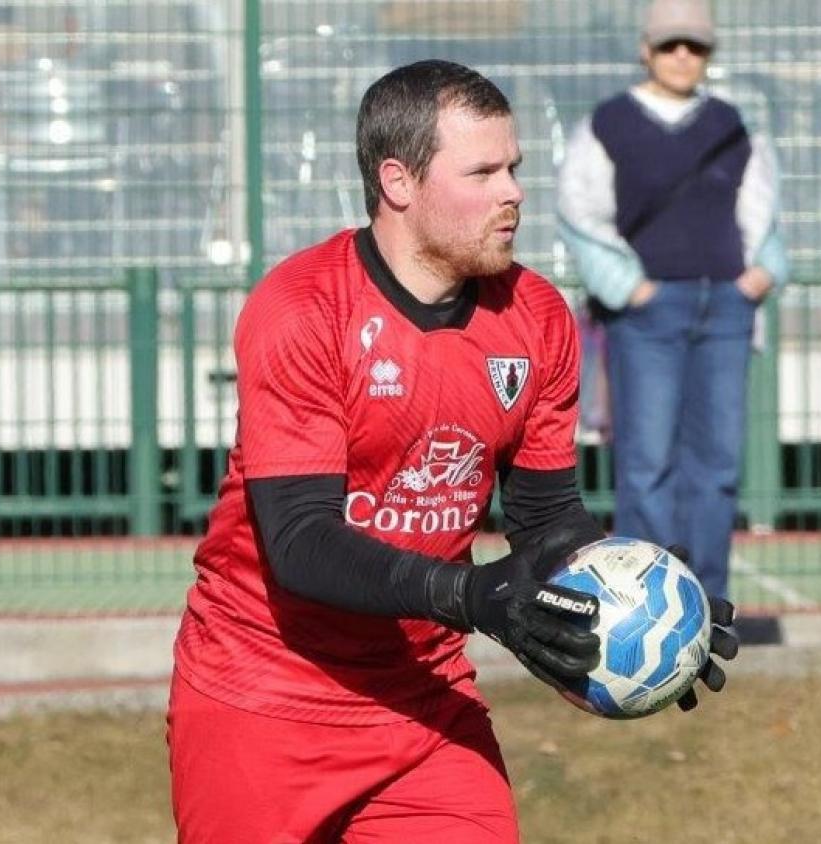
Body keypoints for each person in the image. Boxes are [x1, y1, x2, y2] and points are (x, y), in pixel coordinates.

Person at [167, 59, 739, 842]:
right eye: (484, 172)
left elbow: (547, 520)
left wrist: (641, 608)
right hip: (264, 695)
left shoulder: (537, 316)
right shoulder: (303, 308)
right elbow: (300, 541)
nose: (515, 193)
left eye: (515, 168)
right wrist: (473, 597)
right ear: (398, 182)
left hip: (424, 697)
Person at [556, 0, 789, 600]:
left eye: (696, 46)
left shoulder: (733, 125)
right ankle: (647, 604)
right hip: (647, 315)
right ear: (646, 50)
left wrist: (763, 273)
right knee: (647, 465)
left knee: (718, 466)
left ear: (709, 54)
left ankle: (707, 606)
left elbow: (763, 207)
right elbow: (578, 210)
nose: (683, 56)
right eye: (669, 45)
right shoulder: (609, 123)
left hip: (726, 308)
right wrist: (628, 288)